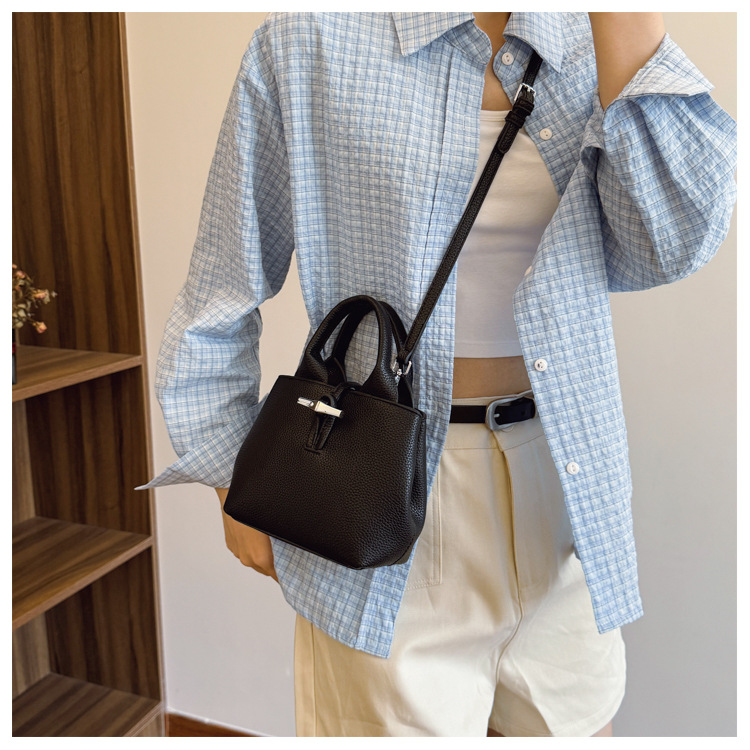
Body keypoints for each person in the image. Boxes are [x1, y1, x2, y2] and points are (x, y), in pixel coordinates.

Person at [136, 12, 737, 737]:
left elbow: (674, 242)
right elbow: (222, 285)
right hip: (371, 483)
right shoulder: (309, 40)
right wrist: (228, 469)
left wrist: (626, 21)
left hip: (565, 483)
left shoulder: (595, 43)